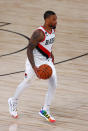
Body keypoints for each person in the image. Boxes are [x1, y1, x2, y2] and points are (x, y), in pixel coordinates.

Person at [8, 10, 57, 123]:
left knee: (53, 84)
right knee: (28, 82)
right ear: (47, 20)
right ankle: (13, 101)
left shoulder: (53, 29)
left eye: (56, 19)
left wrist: (51, 56)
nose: (56, 21)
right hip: (34, 61)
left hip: (47, 61)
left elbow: (48, 45)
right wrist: (34, 67)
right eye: (53, 19)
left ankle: (45, 110)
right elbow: (29, 49)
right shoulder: (38, 33)